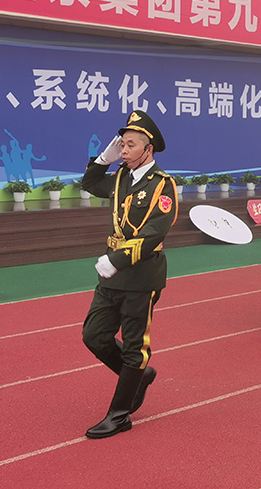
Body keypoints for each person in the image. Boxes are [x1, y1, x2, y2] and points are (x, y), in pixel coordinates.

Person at [80, 110, 178, 439]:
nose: (123, 149)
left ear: (148, 149)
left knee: (136, 346)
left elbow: (154, 232)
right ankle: (140, 376)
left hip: (140, 275)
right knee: (94, 335)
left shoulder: (162, 185)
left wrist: (118, 260)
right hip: (112, 275)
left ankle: (119, 415)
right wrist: (102, 160)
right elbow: (90, 184)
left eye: (130, 144)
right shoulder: (121, 176)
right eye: (121, 144)